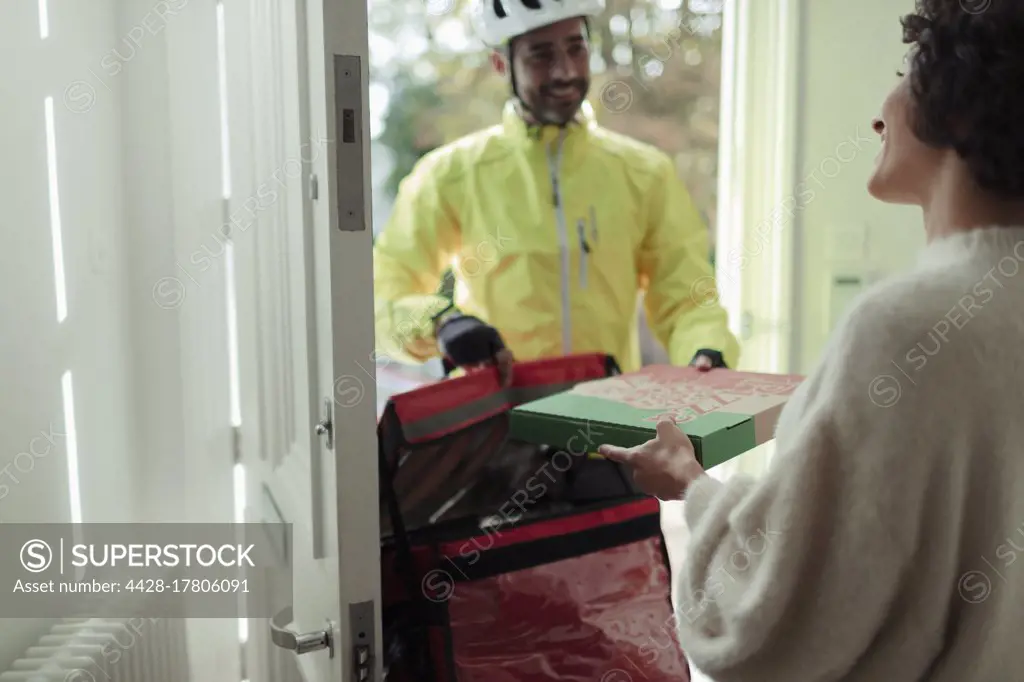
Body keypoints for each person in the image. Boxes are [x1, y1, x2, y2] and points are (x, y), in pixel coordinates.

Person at [599, 1, 1024, 679]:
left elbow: (767, 623)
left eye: (907, 73)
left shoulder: (901, 327)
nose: (879, 114)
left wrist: (688, 482)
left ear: (964, 108)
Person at [371, 0, 739, 385]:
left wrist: (706, 349)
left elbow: (686, 299)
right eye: (541, 56)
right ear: (502, 65)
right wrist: (441, 323)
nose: (565, 71)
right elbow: (383, 300)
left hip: (608, 424)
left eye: (576, 49)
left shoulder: (645, 173)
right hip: (497, 428)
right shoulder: (449, 174)